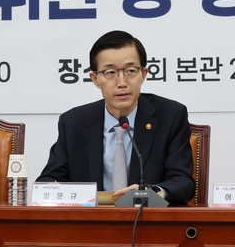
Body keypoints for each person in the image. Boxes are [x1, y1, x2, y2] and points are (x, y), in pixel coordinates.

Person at [37, 30, 195, 205]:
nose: (122, 82)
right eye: (110, 72)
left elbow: (183, 181)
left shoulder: (171, 116)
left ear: (143, 74)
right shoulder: (74, 122)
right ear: (95, 79)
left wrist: (151, 193)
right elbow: (49, 180)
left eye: (130, 71)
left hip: (147, 217)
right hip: (91, 219)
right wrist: (51, 188)